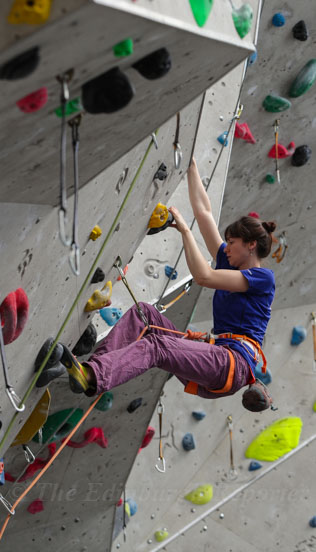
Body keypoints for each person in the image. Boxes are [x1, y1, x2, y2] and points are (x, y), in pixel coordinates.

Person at [37, 158, 276, 411]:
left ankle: (93, 376)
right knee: (145, 314)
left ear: (251, 245)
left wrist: (184, 231)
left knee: (157, 347)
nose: (227, 248)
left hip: (231, 364)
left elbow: (204, 277)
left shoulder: (263, 279)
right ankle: (87, 371)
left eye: (233, 242)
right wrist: (191, 166)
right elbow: (204, 212)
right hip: (216, 361)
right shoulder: (231, 262)